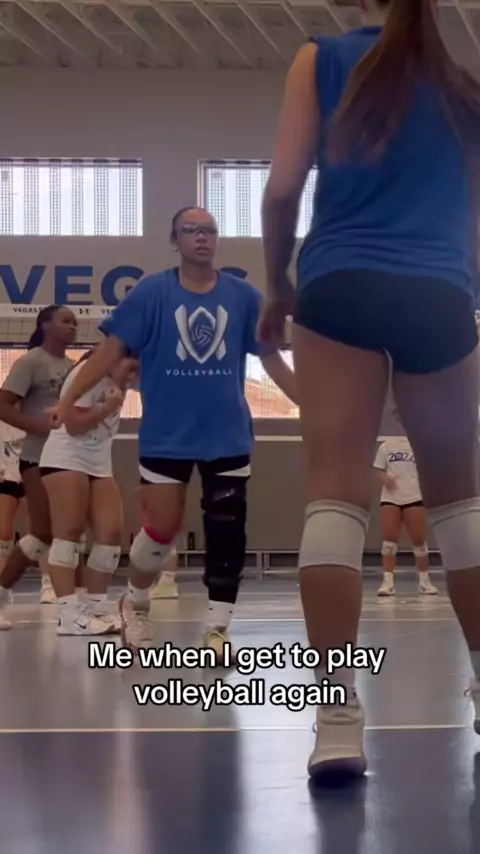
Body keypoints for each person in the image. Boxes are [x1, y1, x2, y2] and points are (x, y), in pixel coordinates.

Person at [260, 0, 480, 783]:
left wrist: (277, 282)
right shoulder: (460, 86)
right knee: (462, 506)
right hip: (438, 293)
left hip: (340, 283)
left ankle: (337, 722)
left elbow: (283, 189)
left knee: (334, 497)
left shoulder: (318, 58)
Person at [49, 206, 297, 660]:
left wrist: (309, 404)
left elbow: (272, 359)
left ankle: (217, 629)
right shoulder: (152, 293)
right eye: (191, 230)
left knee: (227, 530)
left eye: (209, 230)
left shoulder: (244, 296)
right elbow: (108, 352)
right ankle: (136, 603)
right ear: (175, 239)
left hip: (226, 434)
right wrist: (68, 400)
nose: (202, 237)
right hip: (167, 434)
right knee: (162, 530)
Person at [39, 348, 138, 635]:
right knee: (69, 534)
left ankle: (96, 608)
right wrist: (108, 407)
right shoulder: (87, 376)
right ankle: (69, 615)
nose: (134, 376)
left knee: (111, 534)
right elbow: (74, 425)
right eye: (131, 368)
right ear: (113, 359)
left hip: (99, 463)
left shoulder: (122, 382)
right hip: (65, 458)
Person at [0, 305, 77, 630]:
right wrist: (38, 427)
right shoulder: (31, 362)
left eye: (75, 322)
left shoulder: (72, 367)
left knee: (69, 530)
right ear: (45, 325)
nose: (72, 326)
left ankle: (75, 608)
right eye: (65, 321)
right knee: (42, 532)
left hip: (67, 457)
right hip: (37, 457)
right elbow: (3, 404)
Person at [374, 410, 438, 596]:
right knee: (389, 540)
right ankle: (387, 583)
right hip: (391, 498)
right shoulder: (387, 446)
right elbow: (379, 469)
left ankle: (424, 582)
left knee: (419, 541)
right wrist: (385, 479)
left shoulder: (421, 445)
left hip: (414, 496)